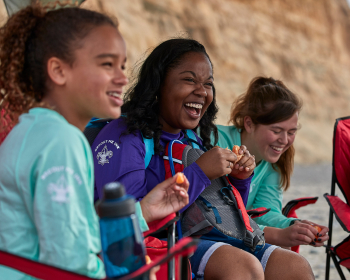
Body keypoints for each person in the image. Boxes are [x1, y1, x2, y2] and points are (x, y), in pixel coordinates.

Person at [92, 39, 315, 280]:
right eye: (189, 80)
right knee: (242, 268)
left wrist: (239, 180)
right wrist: (200, 172)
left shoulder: (190, 137)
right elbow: (126, 222)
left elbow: (219, 210)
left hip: (202, 236)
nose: (202, 91)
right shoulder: (124, 136)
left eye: (208, 83)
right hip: (153, 243)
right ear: (158, 84)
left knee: (295, 267)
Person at [0, 4, 190, 279]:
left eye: (122, 65)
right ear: (58, 70)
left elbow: (67, 234)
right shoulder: (61, 141)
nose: (122, 77)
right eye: (106, 64)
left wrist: (143, 210)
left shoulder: (34, 129)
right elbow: (71, 263)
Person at [211, 76, 329, 248]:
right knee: (280, 244)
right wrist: (279, 235)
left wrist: (296, 227)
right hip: (207, 233)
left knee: (286, 250)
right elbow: (218, 215)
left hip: (239, 235)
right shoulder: (216, 141)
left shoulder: (273, 163)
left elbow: (266, 211)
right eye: (276, 131)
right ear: (249, 124)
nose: (284, 140)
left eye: (291, 132)